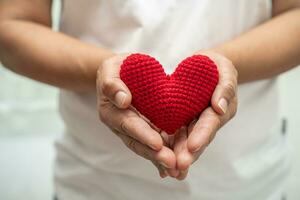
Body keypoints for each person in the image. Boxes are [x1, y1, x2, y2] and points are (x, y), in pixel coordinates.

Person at [0, 0, 299, 199]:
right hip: (94, 184)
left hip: (250, 182)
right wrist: (107, 74)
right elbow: (11, 25)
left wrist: (225, 67)